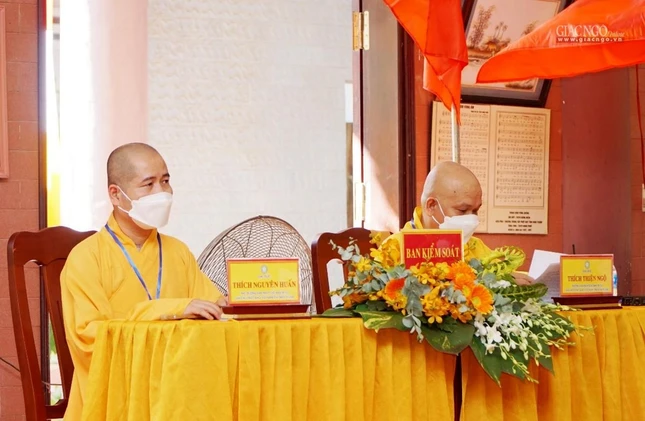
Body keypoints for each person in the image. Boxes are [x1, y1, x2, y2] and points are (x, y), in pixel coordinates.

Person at [60, 143, 227, 420]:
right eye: (148, 184)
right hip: (117, 401)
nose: (161, 192)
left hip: (178, 394)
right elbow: (91, 338)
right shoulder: (86, 258)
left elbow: (215, 312)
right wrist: (167, 311)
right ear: (116, 194)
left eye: (165, 181)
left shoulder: (178, 252)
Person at [381, 161, 534, 284]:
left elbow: (504, 274)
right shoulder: (395, 248)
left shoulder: (475, 247)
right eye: (462, 210)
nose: (471, 219)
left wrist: (506, 281)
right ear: (431, 206)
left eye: (475, 210)